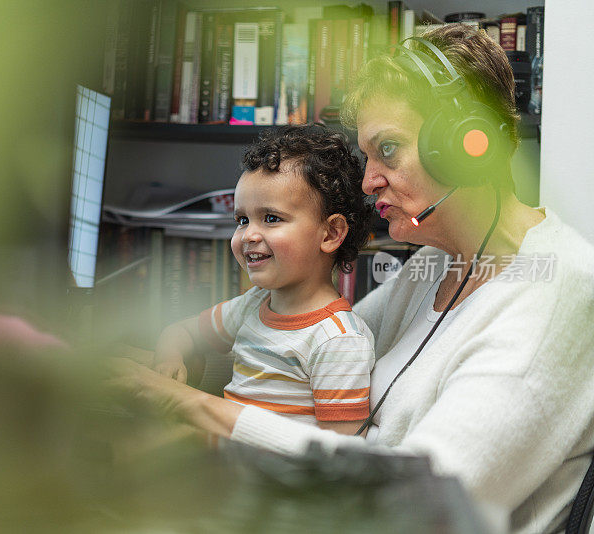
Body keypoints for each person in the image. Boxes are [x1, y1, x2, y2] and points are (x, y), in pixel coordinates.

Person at [113, 24, 594, 534]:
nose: (368, 181)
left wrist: (188, 406)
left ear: (466, 146)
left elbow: (424, 507)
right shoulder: (437, 265)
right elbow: (301, 349)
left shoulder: (559, 291)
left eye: (388, 149)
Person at [153, 125, 374, 433]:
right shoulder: (253, 305)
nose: (249, 235)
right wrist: (169, 358)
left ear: (332, 233)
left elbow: (337, 458)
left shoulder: (338, 341)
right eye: (242, 220)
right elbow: (180, 332)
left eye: (271, 218)